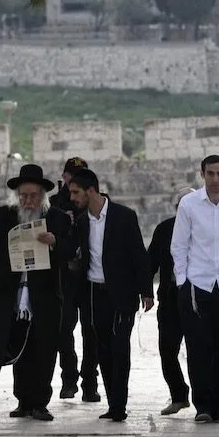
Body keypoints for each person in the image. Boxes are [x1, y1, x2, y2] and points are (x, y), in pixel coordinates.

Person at [0, 164, 72, 421]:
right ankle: (23, 401)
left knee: (43, 348)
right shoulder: (5, 215)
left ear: (42, 195)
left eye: (33, 195)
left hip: (43, 295)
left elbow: (70, 249)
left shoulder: (56, 218)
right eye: (23, 195)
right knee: (19, 349)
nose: (28, 200)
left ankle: (40, 402)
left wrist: (54, 241)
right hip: (11, 295)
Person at [67, 169, 153, 422]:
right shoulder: (82, 222)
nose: (72, 197)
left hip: (121, 293)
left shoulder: (124, 216)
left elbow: (139, 254)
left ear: (90, 191)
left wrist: (146, 291)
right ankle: (113, 402)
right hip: (94, 294)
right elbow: (73, 251)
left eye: (75, 192)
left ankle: (119, 405)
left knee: (119, 348)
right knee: (102, 350)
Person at [171, 155, 219, 424]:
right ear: (202, 175)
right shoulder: (190, 205)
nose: (215, 179)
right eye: (210, 174)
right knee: (198, 346)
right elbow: (179, 244)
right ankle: (202, 404)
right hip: (197, 284)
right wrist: (183, 281)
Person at [49, 157, 99, 402]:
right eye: (72, 175)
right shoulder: (55, 204)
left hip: (89, 276)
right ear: (65, 177)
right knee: (63, 331)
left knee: (92, 332)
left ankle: (90, 382)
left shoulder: (96, 202)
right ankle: (69, 380)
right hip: (64, 277)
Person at [146, 188, 194, 415]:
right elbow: (151, 263)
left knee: (200, 350)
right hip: (170, 296)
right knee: (167, 350)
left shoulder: (206, 228)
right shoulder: (164, 229)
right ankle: (178, 394)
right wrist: (145, 291)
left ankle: (205, 401)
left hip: (198, 297)